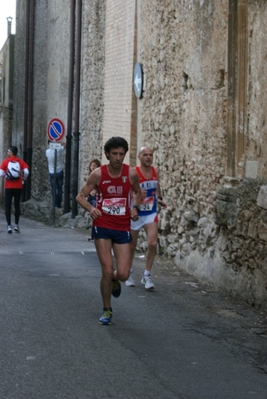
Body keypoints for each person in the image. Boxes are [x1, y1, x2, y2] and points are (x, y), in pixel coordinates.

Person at [76, 136, 141, 325]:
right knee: (106, 270)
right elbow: (80, 196)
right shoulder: (98, 174)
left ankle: (114, 280)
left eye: (121, 154)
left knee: (123, 274)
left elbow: (138, 192)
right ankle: (107, 309)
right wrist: (91, 209)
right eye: (114, 154)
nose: (118, 158)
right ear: (107, 154)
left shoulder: (131, 174)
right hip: (102, 225)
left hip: (122, 227)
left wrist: (135, 208)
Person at [125, 146, 167, 290]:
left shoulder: (156, 171)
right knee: (131, 246)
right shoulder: (133, 172)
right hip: (136, 213)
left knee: (153, 243)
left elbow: (157, 187)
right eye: (145, 155)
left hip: (150, 212)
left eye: (150, 155)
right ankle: (129, 272)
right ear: (139, 157)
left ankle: (147, 275)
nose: (148, 157)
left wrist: (159, 198)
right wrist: (136, 193)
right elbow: (126, 192)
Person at [0, 146, 29, 233]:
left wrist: (6, 175)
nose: (8, 153)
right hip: (18, 187)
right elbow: (27, 171)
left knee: (7, 206)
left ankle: (9, 226)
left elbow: (1, 173)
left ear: (12, 152)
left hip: (8, 187)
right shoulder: (20, 161)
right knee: (17, 206)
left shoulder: (5, 161)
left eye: (8, 151)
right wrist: (23, 178)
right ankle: (16, 225)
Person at [45, 140, 66, 208]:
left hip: (51, 172)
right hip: (59, 171)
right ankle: (58, 204)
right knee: (59, 188)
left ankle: (54, 203)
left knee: (53, 188)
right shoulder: (59, 150)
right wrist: (59, 142)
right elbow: (65, 144)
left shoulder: (47, 152)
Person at [87, 159, 101, 242]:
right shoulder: (90, 175)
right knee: (94, 216)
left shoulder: (99, 175)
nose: (92, 167)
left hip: (97, 197)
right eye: (91, 165)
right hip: (91, 198)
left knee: (96, 217)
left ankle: (94, 235)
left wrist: (95, 191)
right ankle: (93, 235)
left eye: (95, 165)